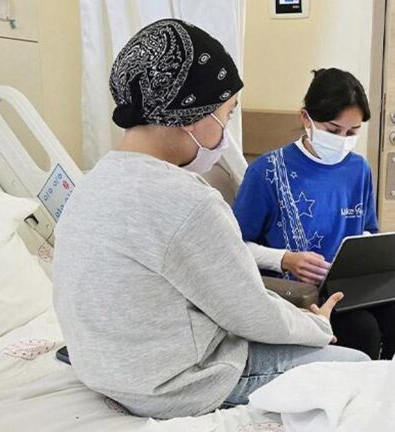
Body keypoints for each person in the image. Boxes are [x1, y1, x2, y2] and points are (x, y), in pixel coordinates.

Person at [52, 20, 368, 420]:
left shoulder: (93, 184)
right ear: (192, 114)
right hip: (174, 386)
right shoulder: (188, 201)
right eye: (227, 114)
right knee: (358, 368)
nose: (225, 134)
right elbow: (249, 311)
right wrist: (316, 325)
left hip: (105, 370)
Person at [232, 67, 395, 360]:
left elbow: (368, 230)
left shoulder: (358, 169)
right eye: (333, 131)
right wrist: (284, 259)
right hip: (300, 292)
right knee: (362, 330)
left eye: (352, 132)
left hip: (352, 286)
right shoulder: (267, 172)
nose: (342, 139)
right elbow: (233, 247)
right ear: (305, 118)